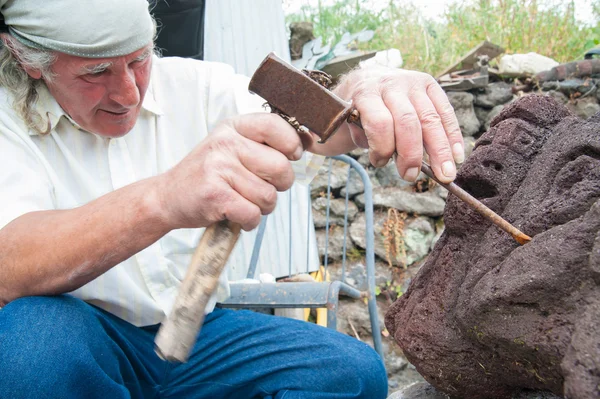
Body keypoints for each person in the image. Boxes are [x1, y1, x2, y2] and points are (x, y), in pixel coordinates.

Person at [0, 1, 464, 398]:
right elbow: (10, 264)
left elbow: (316, 124)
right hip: (85, 341)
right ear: (30, 62)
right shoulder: (8, 119)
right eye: (96, 72)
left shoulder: (197, 86)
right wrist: (164, 199)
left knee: (351, 373)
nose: (128, 92)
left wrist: (364, 90)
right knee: (32, 346)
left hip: (200, 339)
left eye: (139, 60)